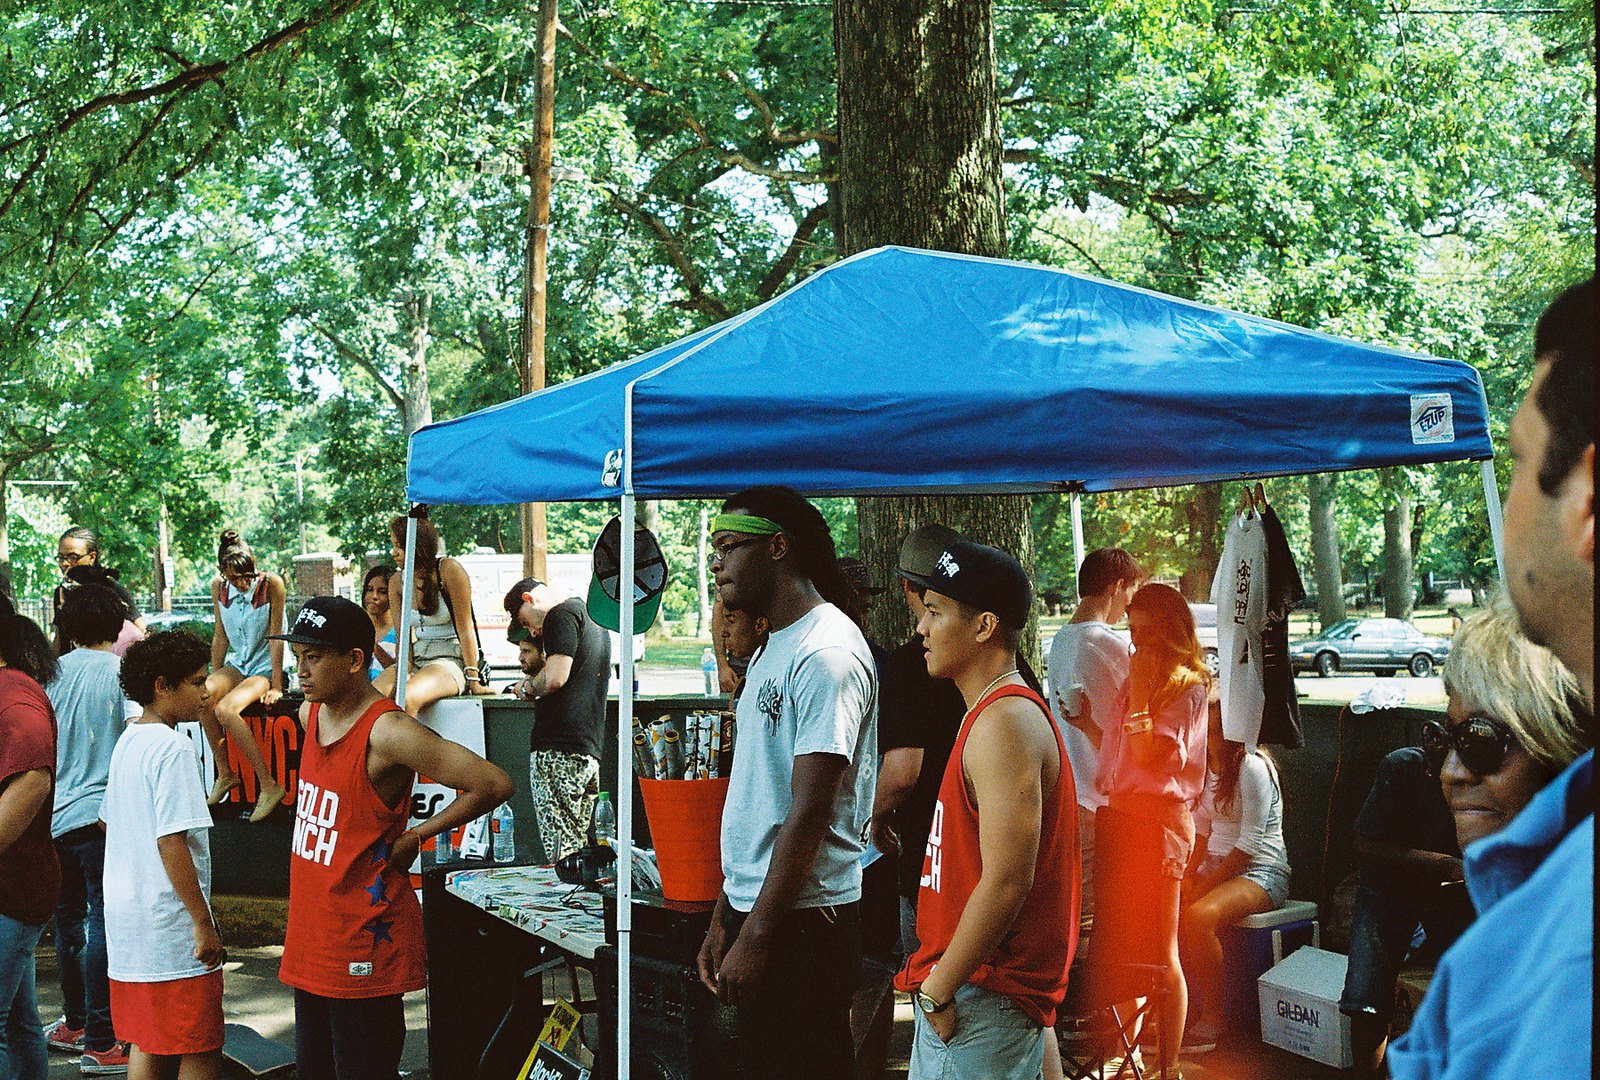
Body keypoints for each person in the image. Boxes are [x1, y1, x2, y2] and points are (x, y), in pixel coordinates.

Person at [1388, 277, 1595, 1080]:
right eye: (1442, 739)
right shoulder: (1526, 918)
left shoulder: (1563, 965)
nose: (1450, 769)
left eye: (1516, 460)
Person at [274, 597, 512, 1080]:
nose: (300, 670)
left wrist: (418, 834)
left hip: (364, 941)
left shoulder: (389, 731)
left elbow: (493, 783)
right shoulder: (309, 715)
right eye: (297, 657)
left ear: (354, 660)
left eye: (313, 657)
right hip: (312, 940)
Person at [693, 487, 877, 1080]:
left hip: (805, 923)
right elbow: (760, 797)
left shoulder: (827, 652)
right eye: (714, 550)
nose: (717, 564)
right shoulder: (773, 646)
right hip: (762, 910)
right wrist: (726, 913)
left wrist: (758, 934)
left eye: (729, 547)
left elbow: (810, 810)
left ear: (777, 548)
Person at [893, 540, 1078, 1080]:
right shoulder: (994, 714)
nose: (922, 629)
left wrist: (937, 989)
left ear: (984, 627)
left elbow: (1007, 881)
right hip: (978, 992)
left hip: (977, 996)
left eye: (935, 612)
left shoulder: (1004, 722)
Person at [1094, 582, 1209, 1080]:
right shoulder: (1135, 681)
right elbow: (1119, 756)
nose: (1136, 643)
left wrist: (1140, 690)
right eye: (1131, 631)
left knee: (1162, 954)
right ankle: (1130, 1056)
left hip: (1159, 824)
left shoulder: (1188, 687)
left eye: (1145, 632)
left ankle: (1169, 1065)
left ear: (1169, 632)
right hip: (1121, 816)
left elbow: (1149, 757)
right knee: (1121, 946)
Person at [101, 631, 225, 1080]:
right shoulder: (174, 748)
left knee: (149, 1041)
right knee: (200, 1046)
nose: (206, 692)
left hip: (129, 927)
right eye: (196, 682)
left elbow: (107, 821)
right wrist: (202, 921)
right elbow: (172, 842)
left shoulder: (129, 741)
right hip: (170, 928)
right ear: (162, 686)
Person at [42, 585, 140, 1070]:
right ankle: (102, 1040)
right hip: (102, 818)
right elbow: (137, 734)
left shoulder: (49, 676)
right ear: (116, 625)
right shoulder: (121, 673)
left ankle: (76, 1022)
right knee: (102, 923)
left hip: (55, 819)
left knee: (68, 923)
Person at [1338, 743, 1474, 1076]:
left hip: (1449, 893)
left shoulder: (1490, 776)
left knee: (1470, 994)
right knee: (1366, 1000)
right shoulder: (1401, 766)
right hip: (1387, 886)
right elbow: (1365, 844)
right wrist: (1442, 863)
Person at [872, 523, 966, 965]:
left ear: (906, 586)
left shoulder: (909, 665)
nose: (925, 629)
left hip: (935, 860)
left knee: (932, 981)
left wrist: (875, 815)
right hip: (987, 860)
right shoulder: (1006, 662)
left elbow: (902, 774)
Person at [1179, 684, 1291, 1052]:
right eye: (1204, 728)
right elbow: (1201, 830)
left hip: (1261, 871)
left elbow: (1249, 845)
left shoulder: (1252, 766)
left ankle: (1216, 1016)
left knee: (1198, 916)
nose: (1208, 737)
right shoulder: (1203, 765)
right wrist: (1187, 874)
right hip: (1218, 867)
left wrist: (1202, 886)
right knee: (1163, 908)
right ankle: (1178, 1008)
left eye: (1215, 730)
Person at [1046, 547, 1142, 929]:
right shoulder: (1109, 644)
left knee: (1076, 908)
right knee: (1099, 916)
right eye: (1131, 591)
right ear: (1117, 586)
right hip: (1103, 796)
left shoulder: (1059, 641)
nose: (1129, 605)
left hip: (1069, 791)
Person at [503, 577, 610, 862]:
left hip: (556, 749)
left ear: (529, 599)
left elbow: (554, 678)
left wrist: (526, 688)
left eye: (524, 621)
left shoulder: (559, 615)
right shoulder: (591, 617)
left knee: (561, 852)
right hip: (588, 749)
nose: (531, 631)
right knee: (580, 848)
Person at [0, 595, 61, 1079]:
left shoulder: (14, 697)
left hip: (13, 892)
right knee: (20, 1026)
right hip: (17, 889)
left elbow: (34, 778)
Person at [201, 530, 289, 823]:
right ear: (223, 572)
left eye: (247, 576)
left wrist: (277, 685)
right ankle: (225, 773)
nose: (243, 583)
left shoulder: (271, 584)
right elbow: (220, 637)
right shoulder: (218, 588)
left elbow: (276, 636)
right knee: (203, 696)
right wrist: (215, 677)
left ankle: (269, 785)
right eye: (235, 578)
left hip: (264, 666)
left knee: (226, 710)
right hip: (238, 664)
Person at [374, 514, 488, 714]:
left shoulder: (448, 569)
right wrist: (402, 672)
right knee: (370, 700)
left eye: (399, 546)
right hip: (417, 659)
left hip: (450, 660)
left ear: (417, 546)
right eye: (393, 545)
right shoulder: (397, 582)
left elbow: (465, 628)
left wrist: (473, 680)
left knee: (407, 698)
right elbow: (403, 639)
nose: (394, 552)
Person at [52, 528, 147, 657]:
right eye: (61, 557)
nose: (64, 563)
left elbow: (140, 629)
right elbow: (59, 637)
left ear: (92, 557)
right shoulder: (61, 591)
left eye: (72, 557)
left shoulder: (112, 590)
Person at [361, 565, 397, 678]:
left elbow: (401, 674)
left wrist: (375, 648)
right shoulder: (356, 626)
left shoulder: (403, 631)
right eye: (369, 590)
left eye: (382, 592)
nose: (374, 596)